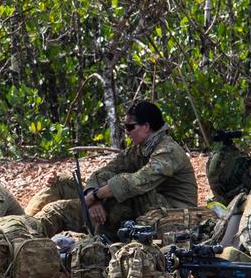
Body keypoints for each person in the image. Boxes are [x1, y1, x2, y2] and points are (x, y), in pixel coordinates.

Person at [51, 101, 197, 235]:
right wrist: (93, 198)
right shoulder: (139, 149)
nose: (126, 132)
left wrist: (97, 195)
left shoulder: (168, 150)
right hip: (155, 210)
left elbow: (139, 182)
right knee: (112, 184)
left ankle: (100, 241)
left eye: (130, 127)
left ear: (146, 127)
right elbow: (105, 171)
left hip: (176, 214)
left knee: (122, 193)